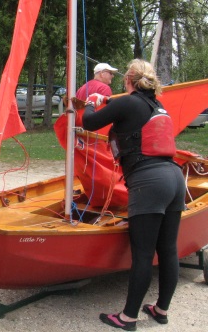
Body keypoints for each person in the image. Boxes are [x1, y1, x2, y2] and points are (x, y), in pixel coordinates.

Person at [81, 59, 184, 330]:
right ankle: (161, 310)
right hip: (174, 179)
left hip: (149, 182)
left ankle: (128, 318)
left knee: (142, 254)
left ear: (129, 79)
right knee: (168, 250)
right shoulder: (157, 106)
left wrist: (91, 101)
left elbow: (89, 122)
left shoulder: (128, 102)